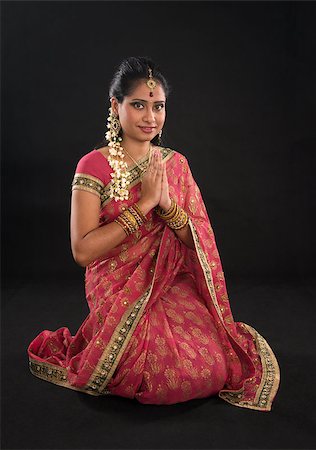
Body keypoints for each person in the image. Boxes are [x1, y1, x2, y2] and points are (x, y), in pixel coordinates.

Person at [28, 56, 280, 410]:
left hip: (170, 280)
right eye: (139, 105)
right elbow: (83, 252)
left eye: (158, 107)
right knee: (157, 375)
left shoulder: (175, 164)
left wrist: (169, 209)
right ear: (116, 107)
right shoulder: (93, 165)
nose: (150, 117)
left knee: (213, 364)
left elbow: (200, 245)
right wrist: (144, 205)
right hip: (117, 285)